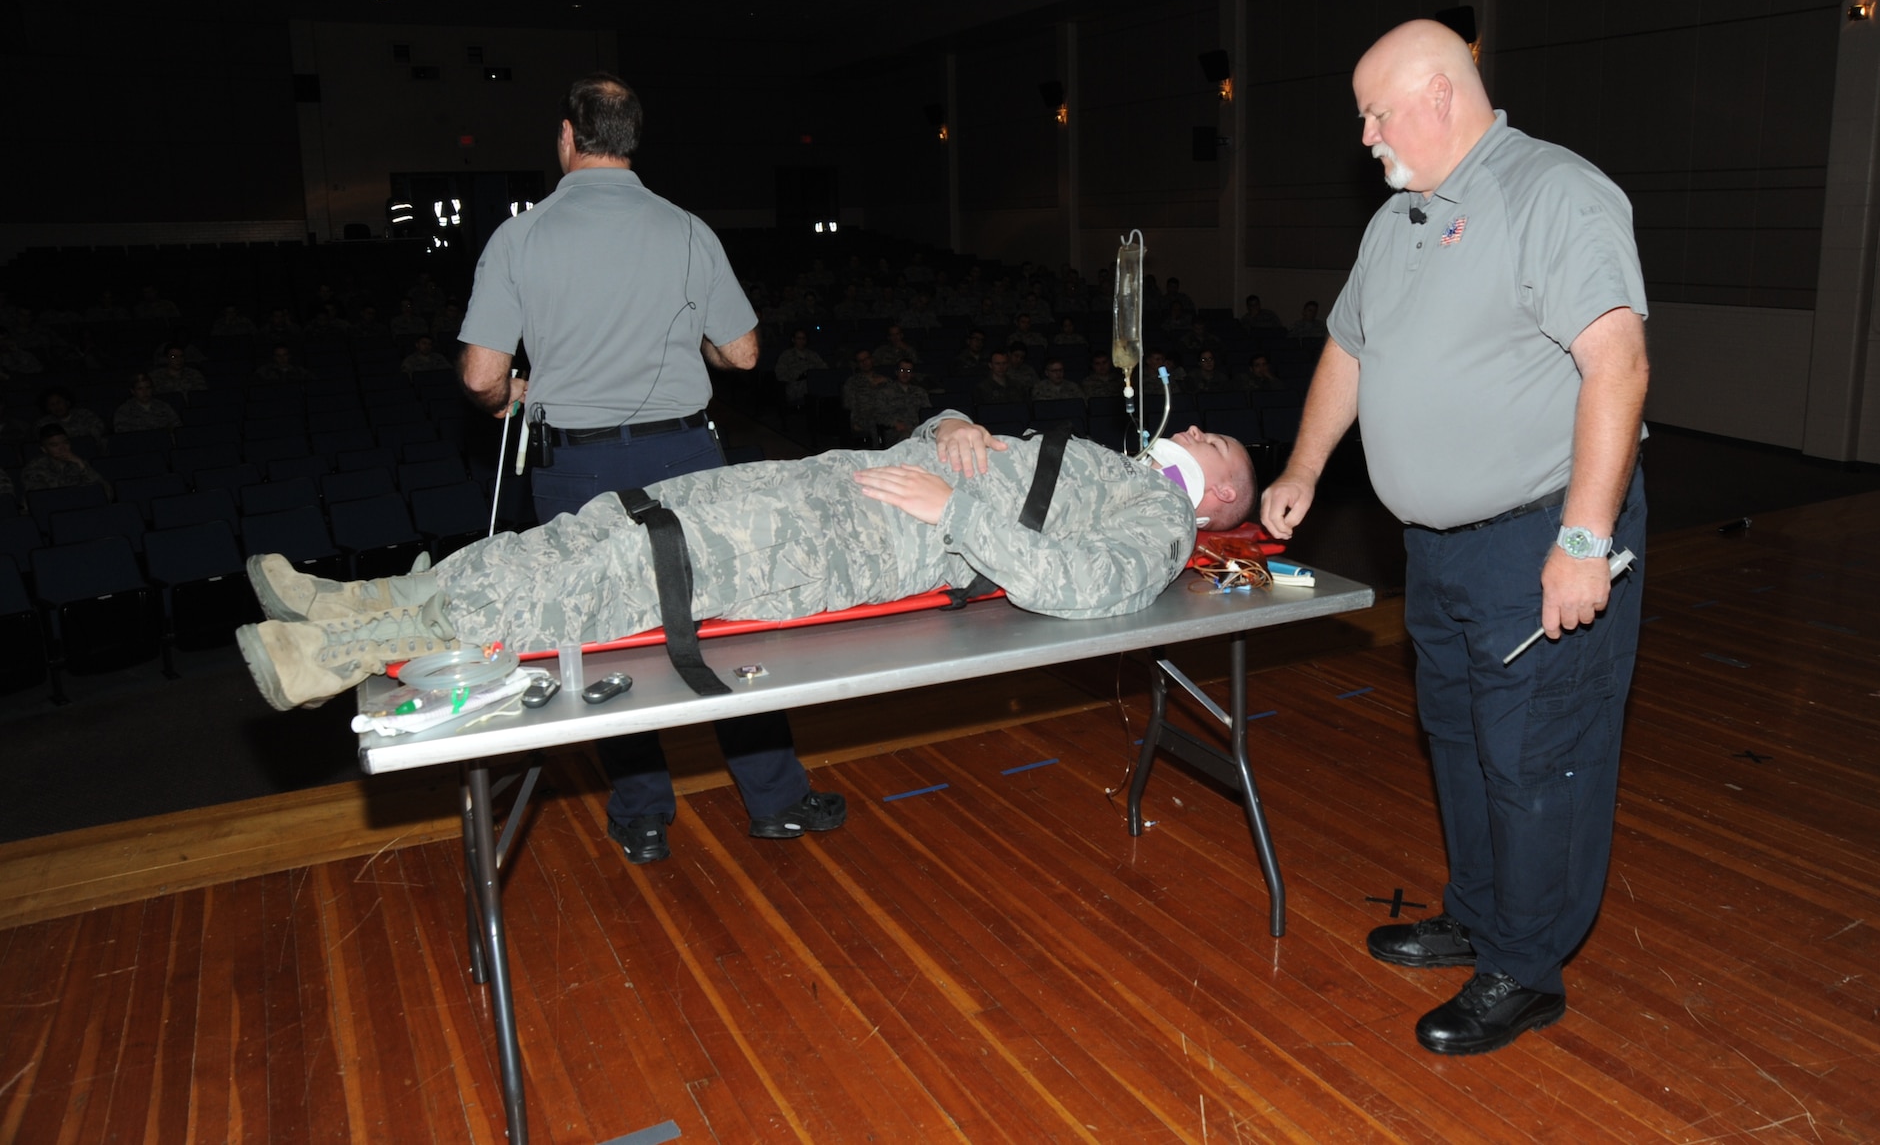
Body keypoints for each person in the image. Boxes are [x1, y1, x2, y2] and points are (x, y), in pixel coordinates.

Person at [1261, 19, 1648, 1057]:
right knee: (1464, 743)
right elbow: (1347, 352)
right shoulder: (1400, 220)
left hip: (1536, 535)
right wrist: (1302, 469)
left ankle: (1524, 969)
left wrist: (1582, 536)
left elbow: (1616, 363)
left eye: (1375, 113)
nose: (1366, 136)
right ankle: (1478, 917)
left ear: (1438, 95)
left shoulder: (1551, 193)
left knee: (1536, 757)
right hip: (1433, 551)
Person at [237, 413, 1256, 710]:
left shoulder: (1156, 525)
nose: (1201, 428)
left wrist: (956, 510)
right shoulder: (1108, 465)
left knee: (615, 574)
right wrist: (947, 424)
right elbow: (1001, 473)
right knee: (603, 524)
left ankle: (335, 656)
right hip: (827, 484)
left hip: (847, 542)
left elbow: (1075, 592)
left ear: (1215, 500)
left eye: (1218, 446)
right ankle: (356, 599)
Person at [456, 71, 832, 863]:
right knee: (722, 627)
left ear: (566, 137)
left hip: (576, 470)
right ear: (632, 142)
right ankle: (776, 800)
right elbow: (743, 352)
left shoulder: (519, 238)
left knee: (606, 641)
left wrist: (507, 400)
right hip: (688, 458)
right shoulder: (689, 230)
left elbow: (482, 376)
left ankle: (644, 813)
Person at [22, 424, 113, 497]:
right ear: (44, 449)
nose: (62, 449)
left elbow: (107, 493)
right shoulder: (34, 469)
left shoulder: (78, 462)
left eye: (65, 443)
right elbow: (41, 498)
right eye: (54, 445)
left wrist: (81, 465)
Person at [36, 388, 107, 448]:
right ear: (47, 408)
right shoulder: (43, 423)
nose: (56, 407)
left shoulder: (85, 415)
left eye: (59, 402)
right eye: (52, 404)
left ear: (67, 402)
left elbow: (99, 430)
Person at [774, 329, 827, 405]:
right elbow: (780, 374)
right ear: (793, 340)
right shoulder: (786, 355)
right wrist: (797, 376)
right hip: (794, 386)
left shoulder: (812, 355)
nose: (801, 341)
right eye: (798, 338)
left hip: (813, 383)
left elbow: (823, 368)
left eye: (803, 338)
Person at [113, 372, 180, 432]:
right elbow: (122, 434)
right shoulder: (124, 411)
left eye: (148, 388)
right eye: (140, 389)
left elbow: (177, 427)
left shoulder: (164, 407)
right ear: (133, 391)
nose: (145, 392)